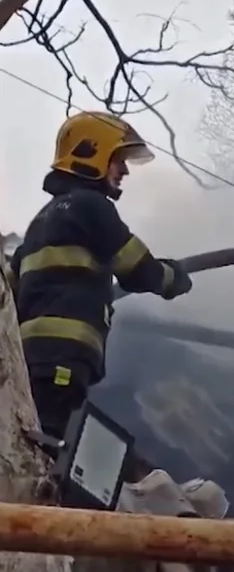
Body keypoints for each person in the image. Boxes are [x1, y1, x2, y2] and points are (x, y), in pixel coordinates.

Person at [11, 111, 193, 439]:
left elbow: (12, 290)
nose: (123, 170)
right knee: (48, 444)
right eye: (118, 159)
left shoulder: (39, 223)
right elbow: (136, 267)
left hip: (30, 359)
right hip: (65, 356)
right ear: (90, 154)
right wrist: (172, 277)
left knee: (34, 433)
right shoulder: (92, 206)